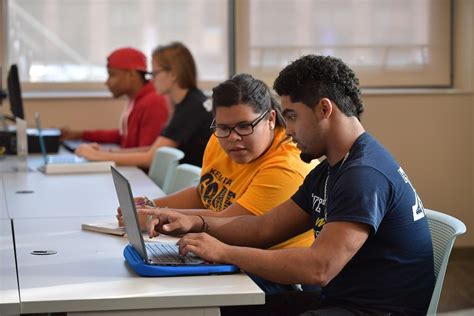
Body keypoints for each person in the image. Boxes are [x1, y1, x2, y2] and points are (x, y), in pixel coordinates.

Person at [141, 55, 436, 315]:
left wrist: (224, 252)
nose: (288, 129)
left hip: (371, 310)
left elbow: (318, 268)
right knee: (218, 307)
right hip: (340, 302)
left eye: (292, 116)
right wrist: (196, 223)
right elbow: (264, 228)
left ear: (324, 109)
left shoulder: (363, 174)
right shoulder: (330, 169)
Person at [118, 73, 315, 252]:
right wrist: (150, 207)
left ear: (271, 119)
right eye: (223, 128)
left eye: (245, 126)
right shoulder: (219, 140)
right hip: (227, 252)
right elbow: (203, 194)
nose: (233, 138)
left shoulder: (286, 167)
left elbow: (233, 224)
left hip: (267, 273)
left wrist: (157, 216)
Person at [76, 42, 212, 168]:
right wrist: (107, 152)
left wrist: (98, 156)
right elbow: (156, 149)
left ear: (173, 74)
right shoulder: (190, 102)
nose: (151, 80)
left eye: (155, 73)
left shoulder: (191, 108)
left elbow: (151, 158)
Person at [61, 47, 169, 148]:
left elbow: (148, 153)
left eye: (112, 75)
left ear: (131, 75)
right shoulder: (137, 100)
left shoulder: (153, 103)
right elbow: (123, 136)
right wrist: (79, 135)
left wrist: (102, 155)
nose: (107, 82)